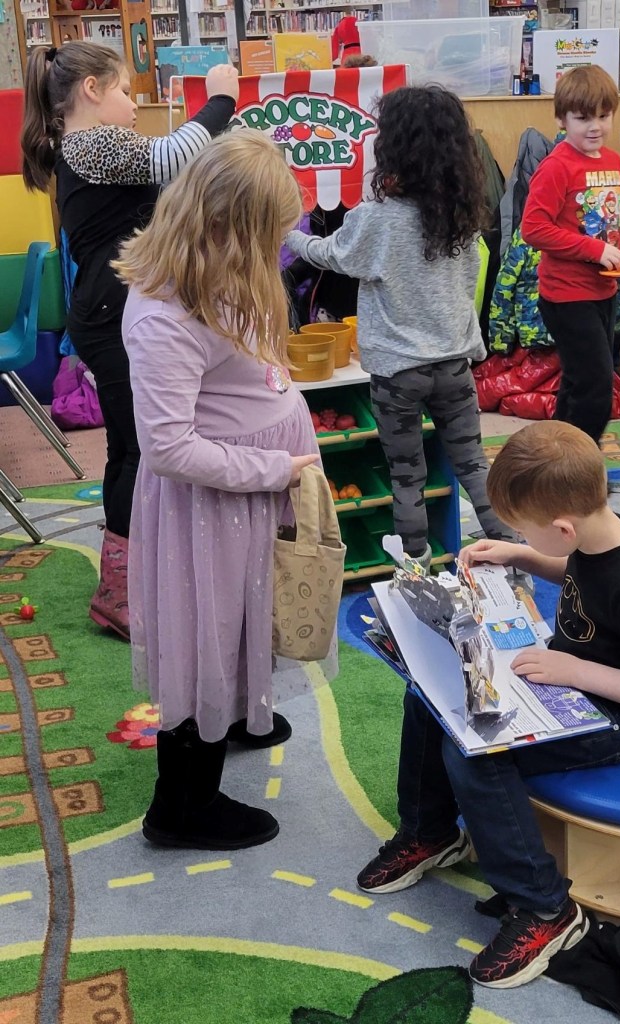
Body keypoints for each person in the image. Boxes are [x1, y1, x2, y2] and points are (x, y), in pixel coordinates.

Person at [357, 421, 620, 987]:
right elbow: (583, 575)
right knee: (430, 696)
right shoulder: (595, 536)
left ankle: (545, 908)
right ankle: (432, 831)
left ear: (564, 527)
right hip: (567, 685)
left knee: (477, 753)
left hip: (619, 721)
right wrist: (522, 553)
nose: (522, 535)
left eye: (526, 528)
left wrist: (575, 669)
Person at [112, 131, 324, 850]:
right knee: (202, 630)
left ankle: (229, 715)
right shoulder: (163, 313)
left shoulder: (221, 274)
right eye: (268, 236)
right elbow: (168, 447)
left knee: (239, 616)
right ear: (225, 225)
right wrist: (272, 469)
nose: (276, 252)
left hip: (246, 496)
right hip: (211, 504)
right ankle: (181, 806)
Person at [20, 41, 239, 640]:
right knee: (143, 450)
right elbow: (173, 156)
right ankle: (122, 592)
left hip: (109, 311)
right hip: (111, 316)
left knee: (130, 447)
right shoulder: (90, 142)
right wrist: (219, 98)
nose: (133, 105)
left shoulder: (86, 147)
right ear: (91, 90)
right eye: (122, 90)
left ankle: (132, 581)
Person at [285, 85, 514, 568]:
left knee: (407, 475)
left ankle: (415, 565)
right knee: (474, 467)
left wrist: (288, 236)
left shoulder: (378, 218)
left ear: (392, 148)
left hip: (397, 373)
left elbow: (332, 255)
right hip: (454, 364)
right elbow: (468, 279)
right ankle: (510, 554)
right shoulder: (462, 216)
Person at [520, 65, 620, 446]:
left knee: (578, 384)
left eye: (604, 116)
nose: (595, 126)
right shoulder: (557, 166)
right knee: (596, 391)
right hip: (565, 295)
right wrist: (596, 250)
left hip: (604, 291)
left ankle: (555, 461)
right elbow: (534, 228)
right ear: (562, 119)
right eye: (582, 118)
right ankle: (580, 465)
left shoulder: (612, 160)